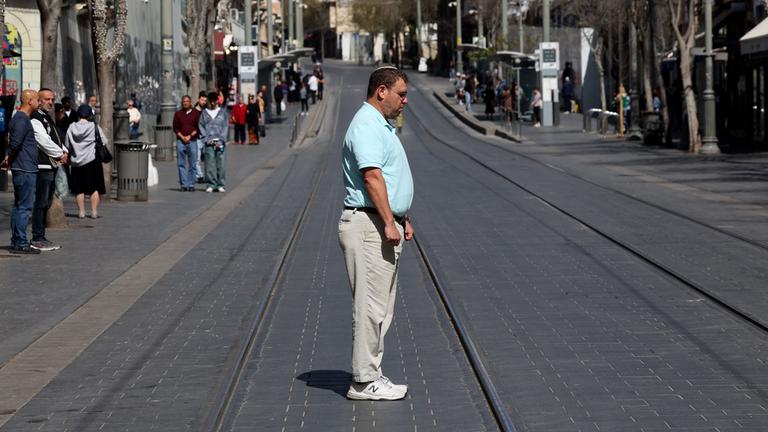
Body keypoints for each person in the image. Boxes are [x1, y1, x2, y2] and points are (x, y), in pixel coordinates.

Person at [339, 66, 414, 401]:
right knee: (370, 307)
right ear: (381, 91)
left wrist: (400, 217)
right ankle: (363, 380)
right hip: (370, 225)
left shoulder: (379, 125)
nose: (405, 101)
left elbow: (388, 178)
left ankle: (370, 373)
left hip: (380, 221)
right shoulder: (367, 125)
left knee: (380, 308)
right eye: (401, 94)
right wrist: (387, 221)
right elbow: (371, 177)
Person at [2, 90, 41, 254]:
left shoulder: (21, 119)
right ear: (30, 101)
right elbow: (16, 143)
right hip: (25, 168)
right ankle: (20, 242)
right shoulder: (21, 119)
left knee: (20, 207)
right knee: (24, 207)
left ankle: (18, 241)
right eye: (38, 100)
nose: (39, 103)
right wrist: (9, 159)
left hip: (24, 167)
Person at [30, 88, 68, 251]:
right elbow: (43, 140)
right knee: (40, 202)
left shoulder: (46, 117)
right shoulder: (35, 118)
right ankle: (37, 238)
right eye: (47, 99)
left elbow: (54, 138)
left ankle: (41, 235)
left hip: (51, 165)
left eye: (52, 99)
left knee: (46, 203)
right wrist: (60, 154)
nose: (51, 102)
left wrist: (64, 150)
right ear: (39, 100)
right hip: (42, 165)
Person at [66, 105, 107, 219]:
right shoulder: (94, 126)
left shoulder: (71, 127)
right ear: (90, 115)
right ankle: (94, 212)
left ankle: (81, 212)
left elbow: (67, 144)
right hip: (92, 161)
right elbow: (103, 141)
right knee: (94, 188)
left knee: (79, 189)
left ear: (78, 115)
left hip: (76, 162)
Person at [199, 91, 229, 193]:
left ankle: (220, 184)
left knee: (221, 163)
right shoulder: (204, 113)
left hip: (220, 142)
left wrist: (222, 140)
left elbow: (225, 127)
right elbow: (201, 126)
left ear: (217, 101)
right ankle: (211, 184)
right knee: (209, 163)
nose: (212, 103)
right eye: (210, 101)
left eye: (214, 101)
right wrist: (205, 139)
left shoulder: (223, 113)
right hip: (209, 142)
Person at [173, 95, 201, 191]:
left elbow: (198, 128)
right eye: (183, 101)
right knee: (181, 164)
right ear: (181, 102)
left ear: (190, 102)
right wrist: (182, 137)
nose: (185, 103)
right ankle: (184, 185)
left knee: (192, 164)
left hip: (192, 141)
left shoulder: (196, 113)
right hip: (180, 141)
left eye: (187, 101)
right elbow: (175, 128)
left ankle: (191, 184)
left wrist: (189, 136)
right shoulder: (178, 114)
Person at [194, 91, 208, 182]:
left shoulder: (207, 111)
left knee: (208, 158)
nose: (203, 102)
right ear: (199, 99)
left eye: (205, 100)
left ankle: (208, 175)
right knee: (197, 159)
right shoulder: (193, 111)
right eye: (202, 100)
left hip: (206, 138)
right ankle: (199, 175)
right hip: (197, 138)